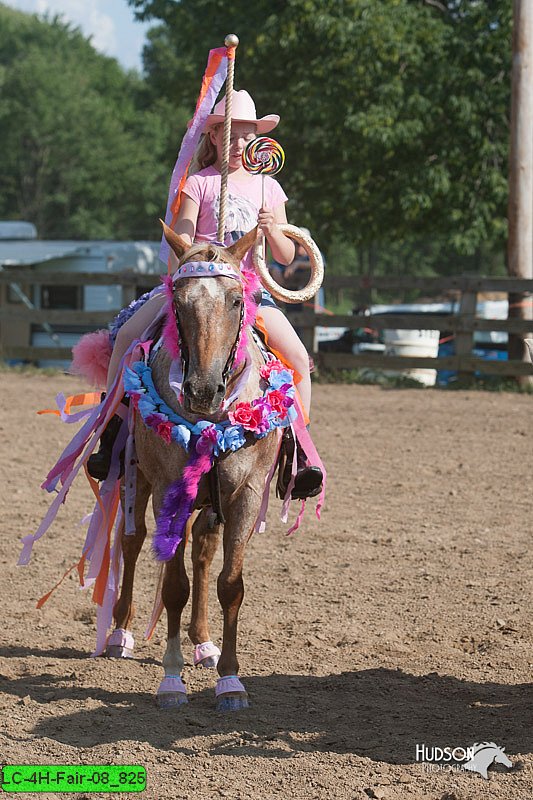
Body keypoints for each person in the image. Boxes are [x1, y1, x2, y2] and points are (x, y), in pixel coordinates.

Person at [88, 90, 322, 499]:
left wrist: (269, 229)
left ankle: (298, 454)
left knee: (299, 357)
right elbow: (181, 237)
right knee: (127, 339)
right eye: (230, 135)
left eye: (247, 136)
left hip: (247, 295)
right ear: (212, 137)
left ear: (258, 140)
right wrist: (195, 262)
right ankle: (112, 434)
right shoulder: (199, 183)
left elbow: (284, 256)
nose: (239, 144)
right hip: (197, 287)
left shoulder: (269, 188)